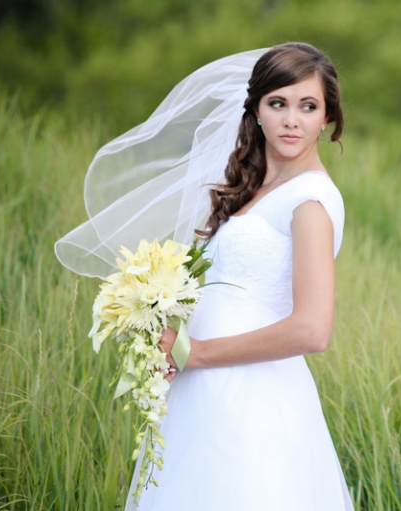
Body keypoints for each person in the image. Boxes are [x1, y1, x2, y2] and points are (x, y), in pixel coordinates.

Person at [120, 43, 354, 510]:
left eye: (308, 106)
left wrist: (198, 352)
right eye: (278, 103)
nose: (292, 120)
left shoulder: (310, 202)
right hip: (200, 389)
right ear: (256, 110)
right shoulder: (253, 188)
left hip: (254, 395)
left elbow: (313, 329)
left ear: (326, 119)